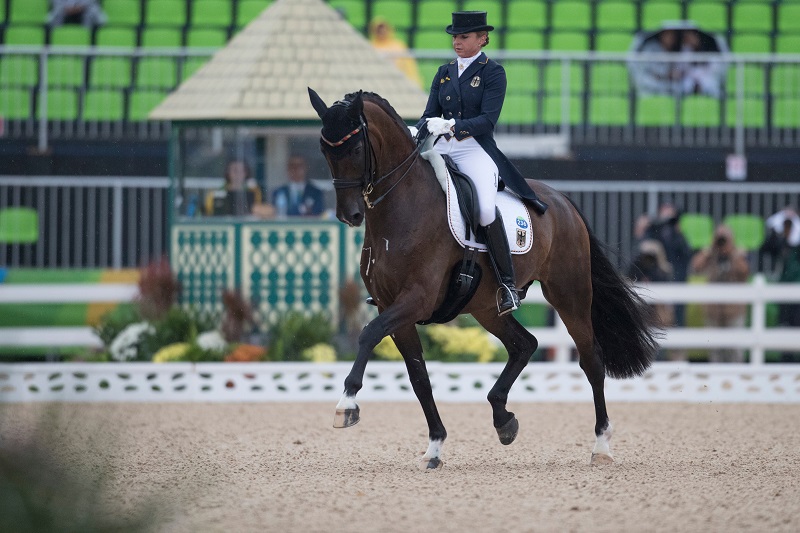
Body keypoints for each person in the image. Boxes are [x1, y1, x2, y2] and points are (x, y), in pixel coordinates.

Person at [415, 11, 548, 316]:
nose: (457, 42)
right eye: (454, 37)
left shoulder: (492, 73)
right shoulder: (444, 72)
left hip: (474, 149)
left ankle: (507, 285)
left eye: (463, 37)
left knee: (485, 210)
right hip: (441, 149)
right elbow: (428, 114)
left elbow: (487, 121)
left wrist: (450, 127)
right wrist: (420, 127)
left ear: (482, 38)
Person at [690, 225, 750, 363]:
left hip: (734, 311)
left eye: (724, 239)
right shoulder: (711, 255)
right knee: (715, 350)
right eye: (719, 238)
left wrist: (732, 252)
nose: (722, 242)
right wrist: (710, 249)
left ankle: (736, 380)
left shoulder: (738, 254)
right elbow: (696, 266)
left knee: (734, 350)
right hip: (713, 311)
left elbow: (745, 272)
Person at [645, 203, 692, 326]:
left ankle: (679, 342)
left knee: (678, 317)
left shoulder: (678, 235)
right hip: (658, 280)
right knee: (657, 319)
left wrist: (677, 232)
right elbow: (645, 251)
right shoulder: (653, 231)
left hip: (677, 280)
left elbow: (686, 254)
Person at [627, 239, 675, 330]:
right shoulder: (637, 267)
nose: (648, 260)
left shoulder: (662, 271)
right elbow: (630, 276)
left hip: (658, 306)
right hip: (640, 304)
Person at [369, 17, 423, 89]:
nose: (382, 31)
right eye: (379, 30)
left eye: (384, 29)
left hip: (397, 84)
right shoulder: (370, 46)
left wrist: (415, 84)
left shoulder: (399, 46)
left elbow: (409, 67)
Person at [205, 160, 271, 217]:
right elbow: (208, 212)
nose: (238, 174)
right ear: (228, 173)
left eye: (242, 170)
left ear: (246, 173)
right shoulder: (217, 191)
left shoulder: (253, 190)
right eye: (235, 170)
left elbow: (265, 209)